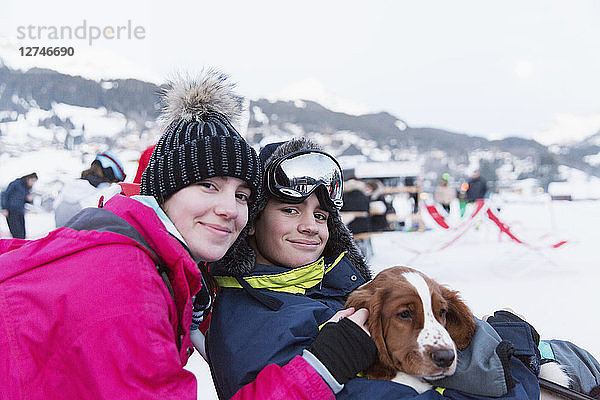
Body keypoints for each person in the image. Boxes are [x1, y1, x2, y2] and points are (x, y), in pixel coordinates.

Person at [0, 71, 371, 400]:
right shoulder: (127, 283)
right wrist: (323, 366)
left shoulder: (140, 260)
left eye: (242, 195)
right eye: (208, 185)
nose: (229, 208)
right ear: (165, 191)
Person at [207, 138, 540, 400]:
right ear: (251, 220)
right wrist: (521, 364)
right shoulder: (258, 319)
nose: (310, 226)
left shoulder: (327, 288)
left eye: (322, 216)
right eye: (291, 211)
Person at [53, 151, 127, 227]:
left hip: (59, 236)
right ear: (110, 175)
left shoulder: (69, 186)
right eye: (115, 181)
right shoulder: (104, 195)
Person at [0, 172, 38, 239]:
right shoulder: (16, 183)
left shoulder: (27, 188)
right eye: (32, 181)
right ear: (28, 178)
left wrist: (29, 199)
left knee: (22, 233)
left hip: (20, 211)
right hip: (11, 211)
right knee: (16, 232)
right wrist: (4, 208)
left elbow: (25, 200)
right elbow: (5, 195)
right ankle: (16, 248)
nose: (32, 183)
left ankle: (22, 248)